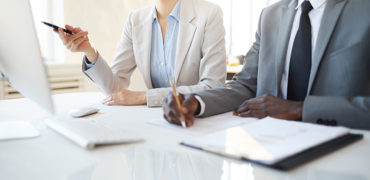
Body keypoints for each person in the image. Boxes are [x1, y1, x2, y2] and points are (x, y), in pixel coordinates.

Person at [163, 0, 370, 129]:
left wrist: (300, 109)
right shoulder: (270, 16)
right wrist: (196, 102)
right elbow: (246, 85)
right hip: (270, 147)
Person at [56, 0, 226, 107]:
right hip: (155, 122)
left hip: (194, 121)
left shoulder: (209, 14)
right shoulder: (135, 20)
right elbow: (115, 90)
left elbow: (213, 87)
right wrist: (89, 50)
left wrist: (146, 97)